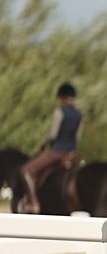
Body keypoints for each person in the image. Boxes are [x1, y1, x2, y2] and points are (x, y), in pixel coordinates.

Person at [20, 83, 84, 214]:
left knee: (26, 170)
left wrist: (43, 144)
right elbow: (78, 137)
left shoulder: (60, 111)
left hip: (58, 151)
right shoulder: (79, 115)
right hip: (73, 153)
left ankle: (33, 202)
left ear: (62, 97)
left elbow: (53, 134)